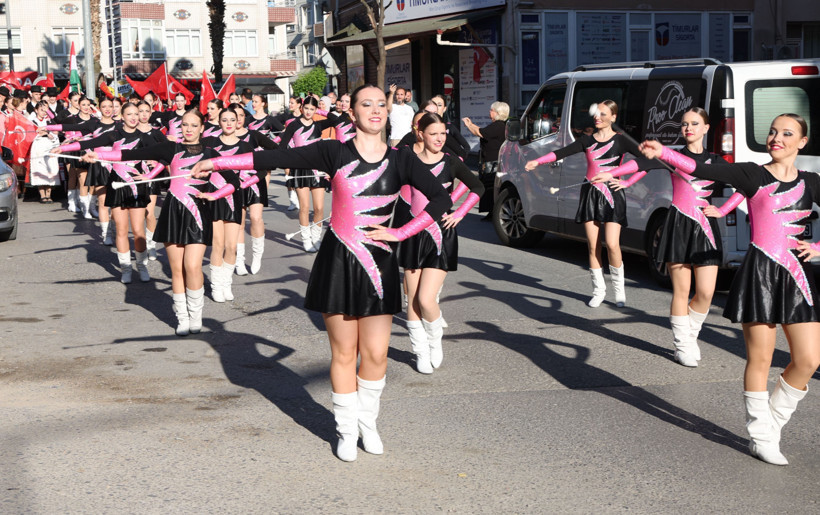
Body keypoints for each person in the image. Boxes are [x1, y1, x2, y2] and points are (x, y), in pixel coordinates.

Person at [190, 84, 453, 462]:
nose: (375, 110)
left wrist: (400, 232)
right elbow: (277, 156)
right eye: (367, 104)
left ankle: (369, 423)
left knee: (376, 353)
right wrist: (216, 163)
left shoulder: (403, 160)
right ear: (354, 112)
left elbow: (441, 198)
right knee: (345, 352)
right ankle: (346, 430)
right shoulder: (333, 151)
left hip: (379, 263)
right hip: (339, 261)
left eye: (382, 104)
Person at [640, 113, 820, 466]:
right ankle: (761, 434)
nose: (776, 137)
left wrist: (817, 249)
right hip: (760, 275)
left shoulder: (811, 181)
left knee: (809, 359)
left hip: (798, 276)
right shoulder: (752, 174)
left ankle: (774, 420)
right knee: (762, 359)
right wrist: (664, 152)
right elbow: (703, 169)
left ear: (802, 142)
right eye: (772, 131)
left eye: (787, 133)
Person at [594, 107, 745, 366]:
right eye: (685, 124)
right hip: (678, 225)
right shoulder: (672, 156)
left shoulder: (717, 162)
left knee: (707, 293)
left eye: (695, 124)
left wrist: (722, 209)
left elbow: (744, 185)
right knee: (682, 290)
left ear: (706, 128)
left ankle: (691, 334)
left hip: (706, 229)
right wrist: (613, 173)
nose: (688, 128)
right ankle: (682, 345)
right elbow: (641, 163)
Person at [83, 109, 234, 336]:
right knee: (176, 269)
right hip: (173, 213)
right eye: (185, 125)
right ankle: (182, 317)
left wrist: (215, 195)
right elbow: (129, 155)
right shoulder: (170, 148)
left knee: (193, 266)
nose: (189, 129)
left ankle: (196, 315)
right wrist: (99, 156)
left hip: (199, 213)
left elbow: (233, 182)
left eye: (194, 125)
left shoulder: (212, 154)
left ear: (203, 128)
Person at [525, 100, 650, 308]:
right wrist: (538, 161)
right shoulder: (586, 140)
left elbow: (647, 161)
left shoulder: (622, 141)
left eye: (603, 114)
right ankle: (598, 290)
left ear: (613, 117)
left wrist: (627, 181)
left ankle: (619, 290)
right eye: (596, 113)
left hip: (613, 194)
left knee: (612, 244)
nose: (597, 117)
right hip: (590, 194)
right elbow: (561, 152)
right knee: (593, 246)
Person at [399, 112, 484, 373]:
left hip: (440, 233)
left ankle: (435, 341)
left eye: (443, 134)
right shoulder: (407, 160)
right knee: (411, 299)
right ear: (420, 134)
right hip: (413, 232)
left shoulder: (451, 162)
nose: (439, 138)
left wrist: (459, 213)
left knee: (426, 299)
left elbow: (478, 187)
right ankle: (420, 350)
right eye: (433, 133)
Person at [56, 102, 158, 283]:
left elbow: (165, 155)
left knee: (138, 230)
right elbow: (89, 142)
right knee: (120, 229)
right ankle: (126, 268)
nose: (134, 117)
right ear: (122, 116)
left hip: (136, 186)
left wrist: (150, 172)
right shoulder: (113, 135)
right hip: (117, 184)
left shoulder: (145, 137)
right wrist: (63, 148)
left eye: (136, 114)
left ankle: (141, 266)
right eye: (130, 114)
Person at [202, 106, 252, 302]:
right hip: (213, 197)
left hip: (233, 197)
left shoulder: (245, 147)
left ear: (238, 121)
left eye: (233, 119)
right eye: (225, 120)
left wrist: (245, 183)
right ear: (219, 122)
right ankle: (215, 286)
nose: (229, 123)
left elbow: (259, 169)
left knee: (231, 246)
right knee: (218, 244)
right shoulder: (209, 144)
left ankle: (226, 283)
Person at [277, 95, 336, 252]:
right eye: (307, 108)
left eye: (312, 109)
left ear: (316, 110)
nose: (309, 112)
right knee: (304, 207)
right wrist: (288, 165)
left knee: (319, 208)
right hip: (299, 168)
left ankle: (316, 238)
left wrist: (322, 112)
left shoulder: (318, 126)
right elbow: (282, 147)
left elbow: (336, 120)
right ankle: (306, 239)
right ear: (301, 108)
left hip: (318, 168)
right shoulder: (293, 125)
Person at [233, 104, 278, 275]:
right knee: (239, 222)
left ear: (245, 118)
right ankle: (239, 261)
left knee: (256, 218)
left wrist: (265, 165)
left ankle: (257, 255)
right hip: (235, 183)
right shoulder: (224, 139)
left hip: (255, 181)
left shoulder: (254, 135)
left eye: (241, 115)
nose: (238, 119)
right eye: (234, 115)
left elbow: (275, 148)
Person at [462, 101, 509, 218]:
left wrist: (468, 125)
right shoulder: (499, 125)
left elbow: (480, 133)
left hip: (492, 161)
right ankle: (491, 211)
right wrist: (471, 124)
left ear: (497, 113)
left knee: (490, 186)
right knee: (490, 186)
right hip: (492, 160)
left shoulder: (498, 125)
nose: (489, 112)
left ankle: (493, 212)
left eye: (491, 110)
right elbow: (482, 131)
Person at [137, 100, 170, 260]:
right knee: (136, 214)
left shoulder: (156, 133)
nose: (143, 114)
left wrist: (157, 162)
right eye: (140, 111)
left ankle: (150, 244)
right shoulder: (129, 131)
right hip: (132, 175)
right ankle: (139, 246)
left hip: (151, 175)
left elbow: (168, 152)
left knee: (149, 213)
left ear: (151, 113)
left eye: (146, 111)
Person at [28, 101, 61, 203]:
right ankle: (42, 195)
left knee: (50, 169)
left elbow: (55, 134)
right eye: (41, 110)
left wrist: (48, 134)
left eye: (45, 110)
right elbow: (30, 135)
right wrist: (39, 134)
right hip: (38, 147)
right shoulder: (32, 121)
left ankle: (49, 194)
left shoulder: (50, 121)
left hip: (49, 146)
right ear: (36, 110)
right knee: (40, 169)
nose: (43, 112)